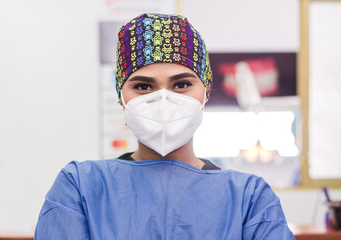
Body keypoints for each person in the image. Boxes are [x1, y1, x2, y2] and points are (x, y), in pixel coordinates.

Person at [34, 13, 295, 239]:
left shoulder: (249, 199)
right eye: (143, 86)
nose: (163, 99)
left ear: (205, 92)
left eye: (181, 84)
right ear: (121, 97)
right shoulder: (80, 188)